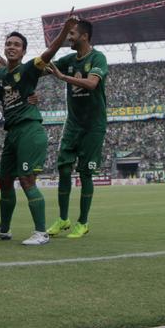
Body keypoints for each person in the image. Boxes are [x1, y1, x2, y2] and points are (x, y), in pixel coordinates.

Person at [0, 13, 80, 246]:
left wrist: (64, 30)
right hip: (12, 134)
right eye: (8, 44)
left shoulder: (28, 69)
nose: (11, 47)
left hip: (29, 131)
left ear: (24, 51)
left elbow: (49, 53)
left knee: (27, 180)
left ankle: (41, 232)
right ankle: (4, 229)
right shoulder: (0, 76)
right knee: (5, 181)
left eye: (16, 45)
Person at [45, 19, 108, 239]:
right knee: (63, 168)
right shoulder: (69, 60)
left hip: (93, 126)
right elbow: (41, 68)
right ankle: (63, 219)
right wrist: (13, 67)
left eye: (72, 34)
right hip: (73, 124)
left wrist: (63, 77)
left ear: (84, 36)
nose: (69, 38)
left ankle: (83, 222)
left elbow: (92, 84)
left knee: (86, 173)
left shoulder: (98, 58)